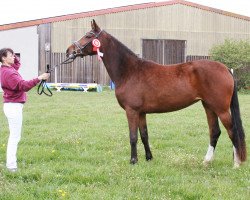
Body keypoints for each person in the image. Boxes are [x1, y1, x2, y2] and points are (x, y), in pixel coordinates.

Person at [0, 48, 50, 172]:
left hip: (12, 106)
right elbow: (24, 86)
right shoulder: (9, 73)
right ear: (3, 58)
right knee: (14, 137)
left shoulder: (8, 69)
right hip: (13, 107)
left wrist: (11, 52)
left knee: (14, 136)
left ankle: (11, 164)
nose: (14, 57)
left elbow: (17, 64)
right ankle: (11, 166)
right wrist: (39, 78)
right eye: (11, 55)